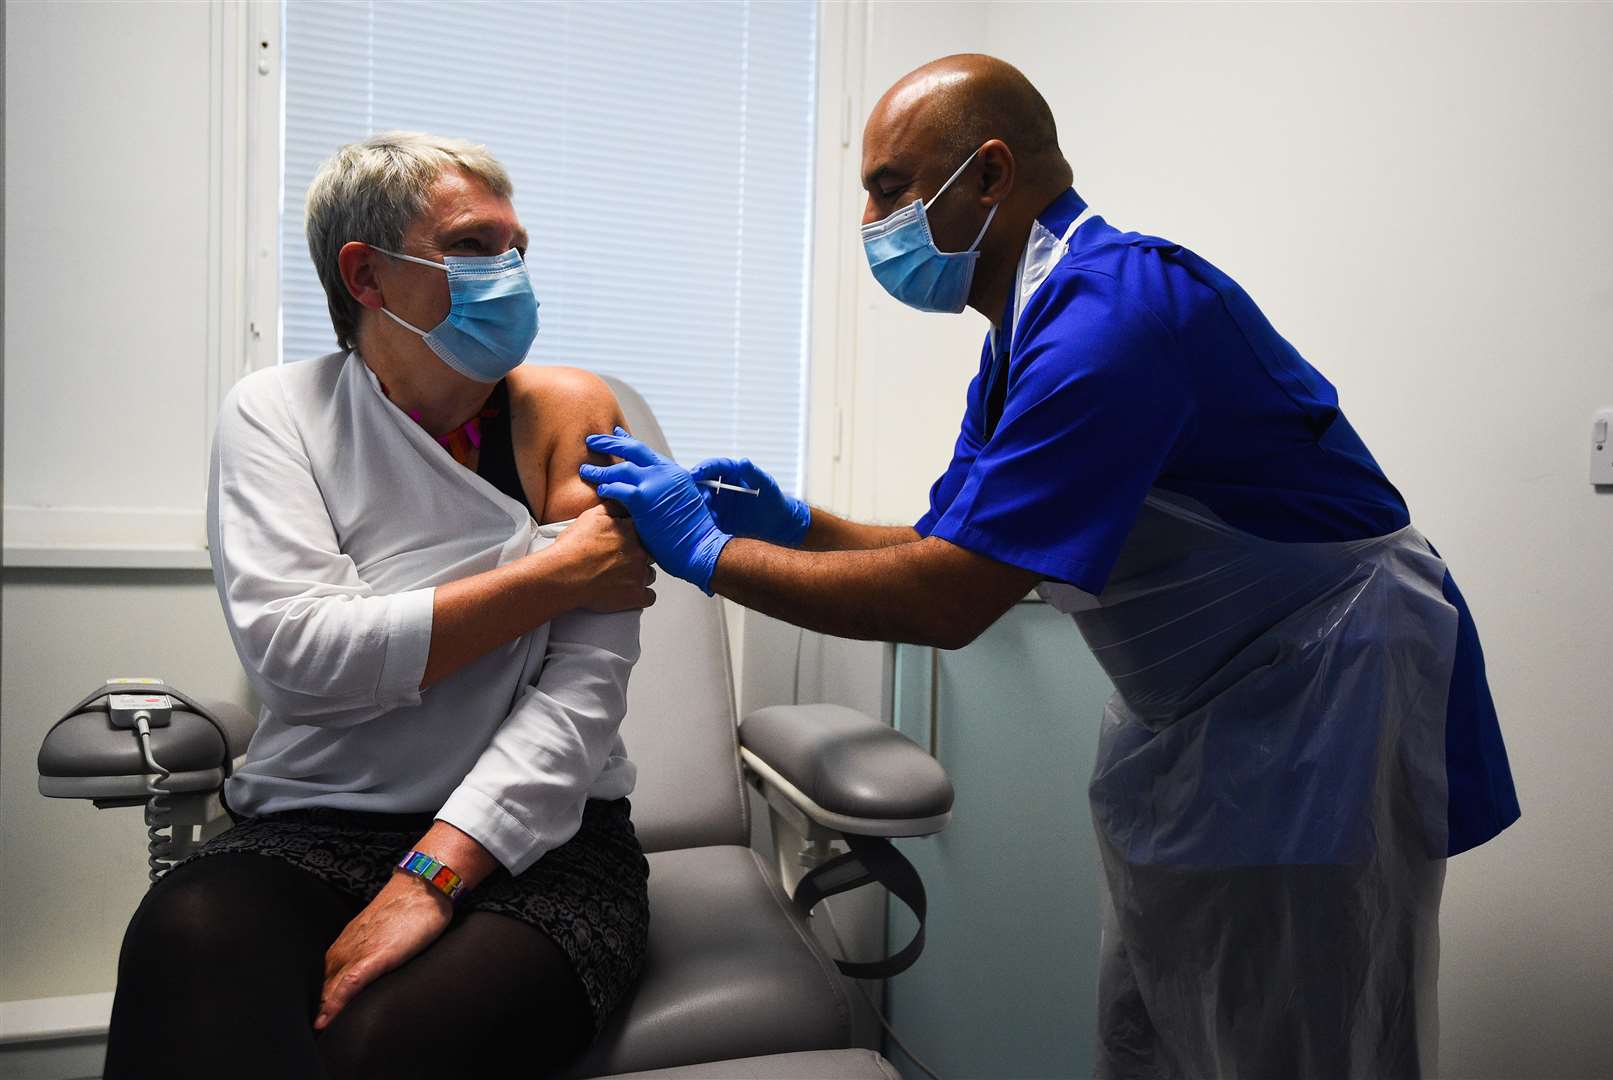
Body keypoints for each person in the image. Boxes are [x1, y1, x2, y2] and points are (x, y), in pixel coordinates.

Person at [579, 55, 1521, 1079]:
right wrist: (801, 525)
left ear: (987, 175)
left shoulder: (1111, 324)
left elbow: (949, 600)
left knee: (1296, 1036)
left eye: (889, 187)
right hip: (1211, 708)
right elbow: (950, 546)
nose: (868, 220)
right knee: (1164, 1021)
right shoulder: (1029, 328)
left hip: (1319, 709)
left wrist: (713, 557)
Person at [105, 132, 656, 1079]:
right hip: (314, 817)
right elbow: (301, 658)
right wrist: (553, 575)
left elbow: (584, 688)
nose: (511, 273)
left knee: (379, 1050)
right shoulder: (276, 413)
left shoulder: (570, 411)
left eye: (517, 248)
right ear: (365, 274)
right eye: (474, 248)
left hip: (540, 841)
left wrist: (437, 872)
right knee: (184, 939)